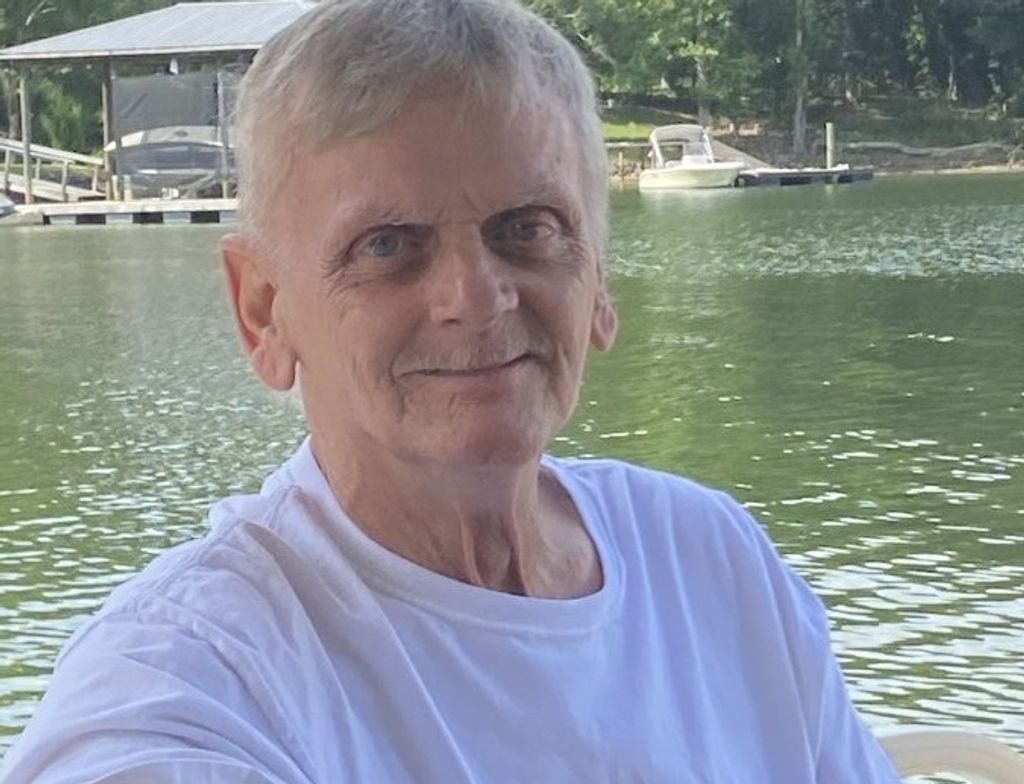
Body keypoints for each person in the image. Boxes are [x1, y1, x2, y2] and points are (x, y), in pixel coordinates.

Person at [2, 1, 902, 782]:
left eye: (527, 229)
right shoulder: (193, 683)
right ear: (263, 314)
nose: (475, 296)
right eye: (388, 245)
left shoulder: (711, 561)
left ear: (598, 281)